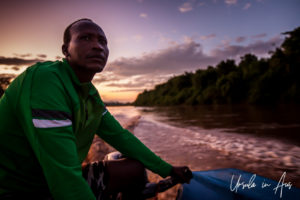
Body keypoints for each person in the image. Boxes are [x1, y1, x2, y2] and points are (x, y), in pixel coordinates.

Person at [0, 18, 192, 200]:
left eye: (103, 41)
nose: (97, 46)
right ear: (66, 50)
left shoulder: (90, 95)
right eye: (85, 38)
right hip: (17, 188)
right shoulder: (45, 81)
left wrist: (167, 169)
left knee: (135, 169)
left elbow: (122, 137)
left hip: (53, 177)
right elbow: (63, 176)